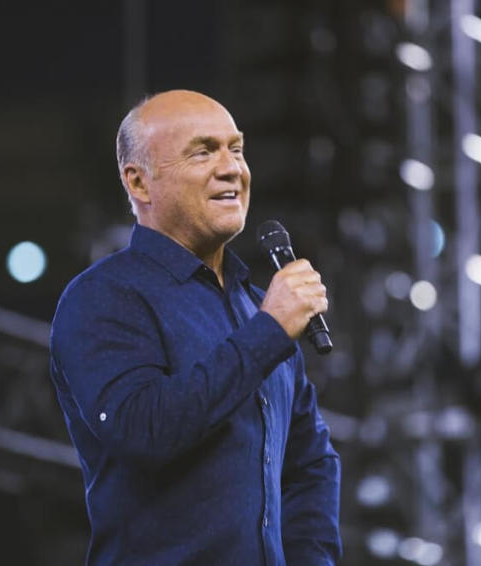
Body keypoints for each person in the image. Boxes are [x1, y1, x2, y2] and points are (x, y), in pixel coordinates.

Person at [49, 89, 341, 566]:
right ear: (139, 183)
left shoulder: (256, 307)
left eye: (237, 149)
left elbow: (310, 462)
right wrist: (269, 331)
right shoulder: (104, 298)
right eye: (203, 151)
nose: (232, 169)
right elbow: (145, 429)